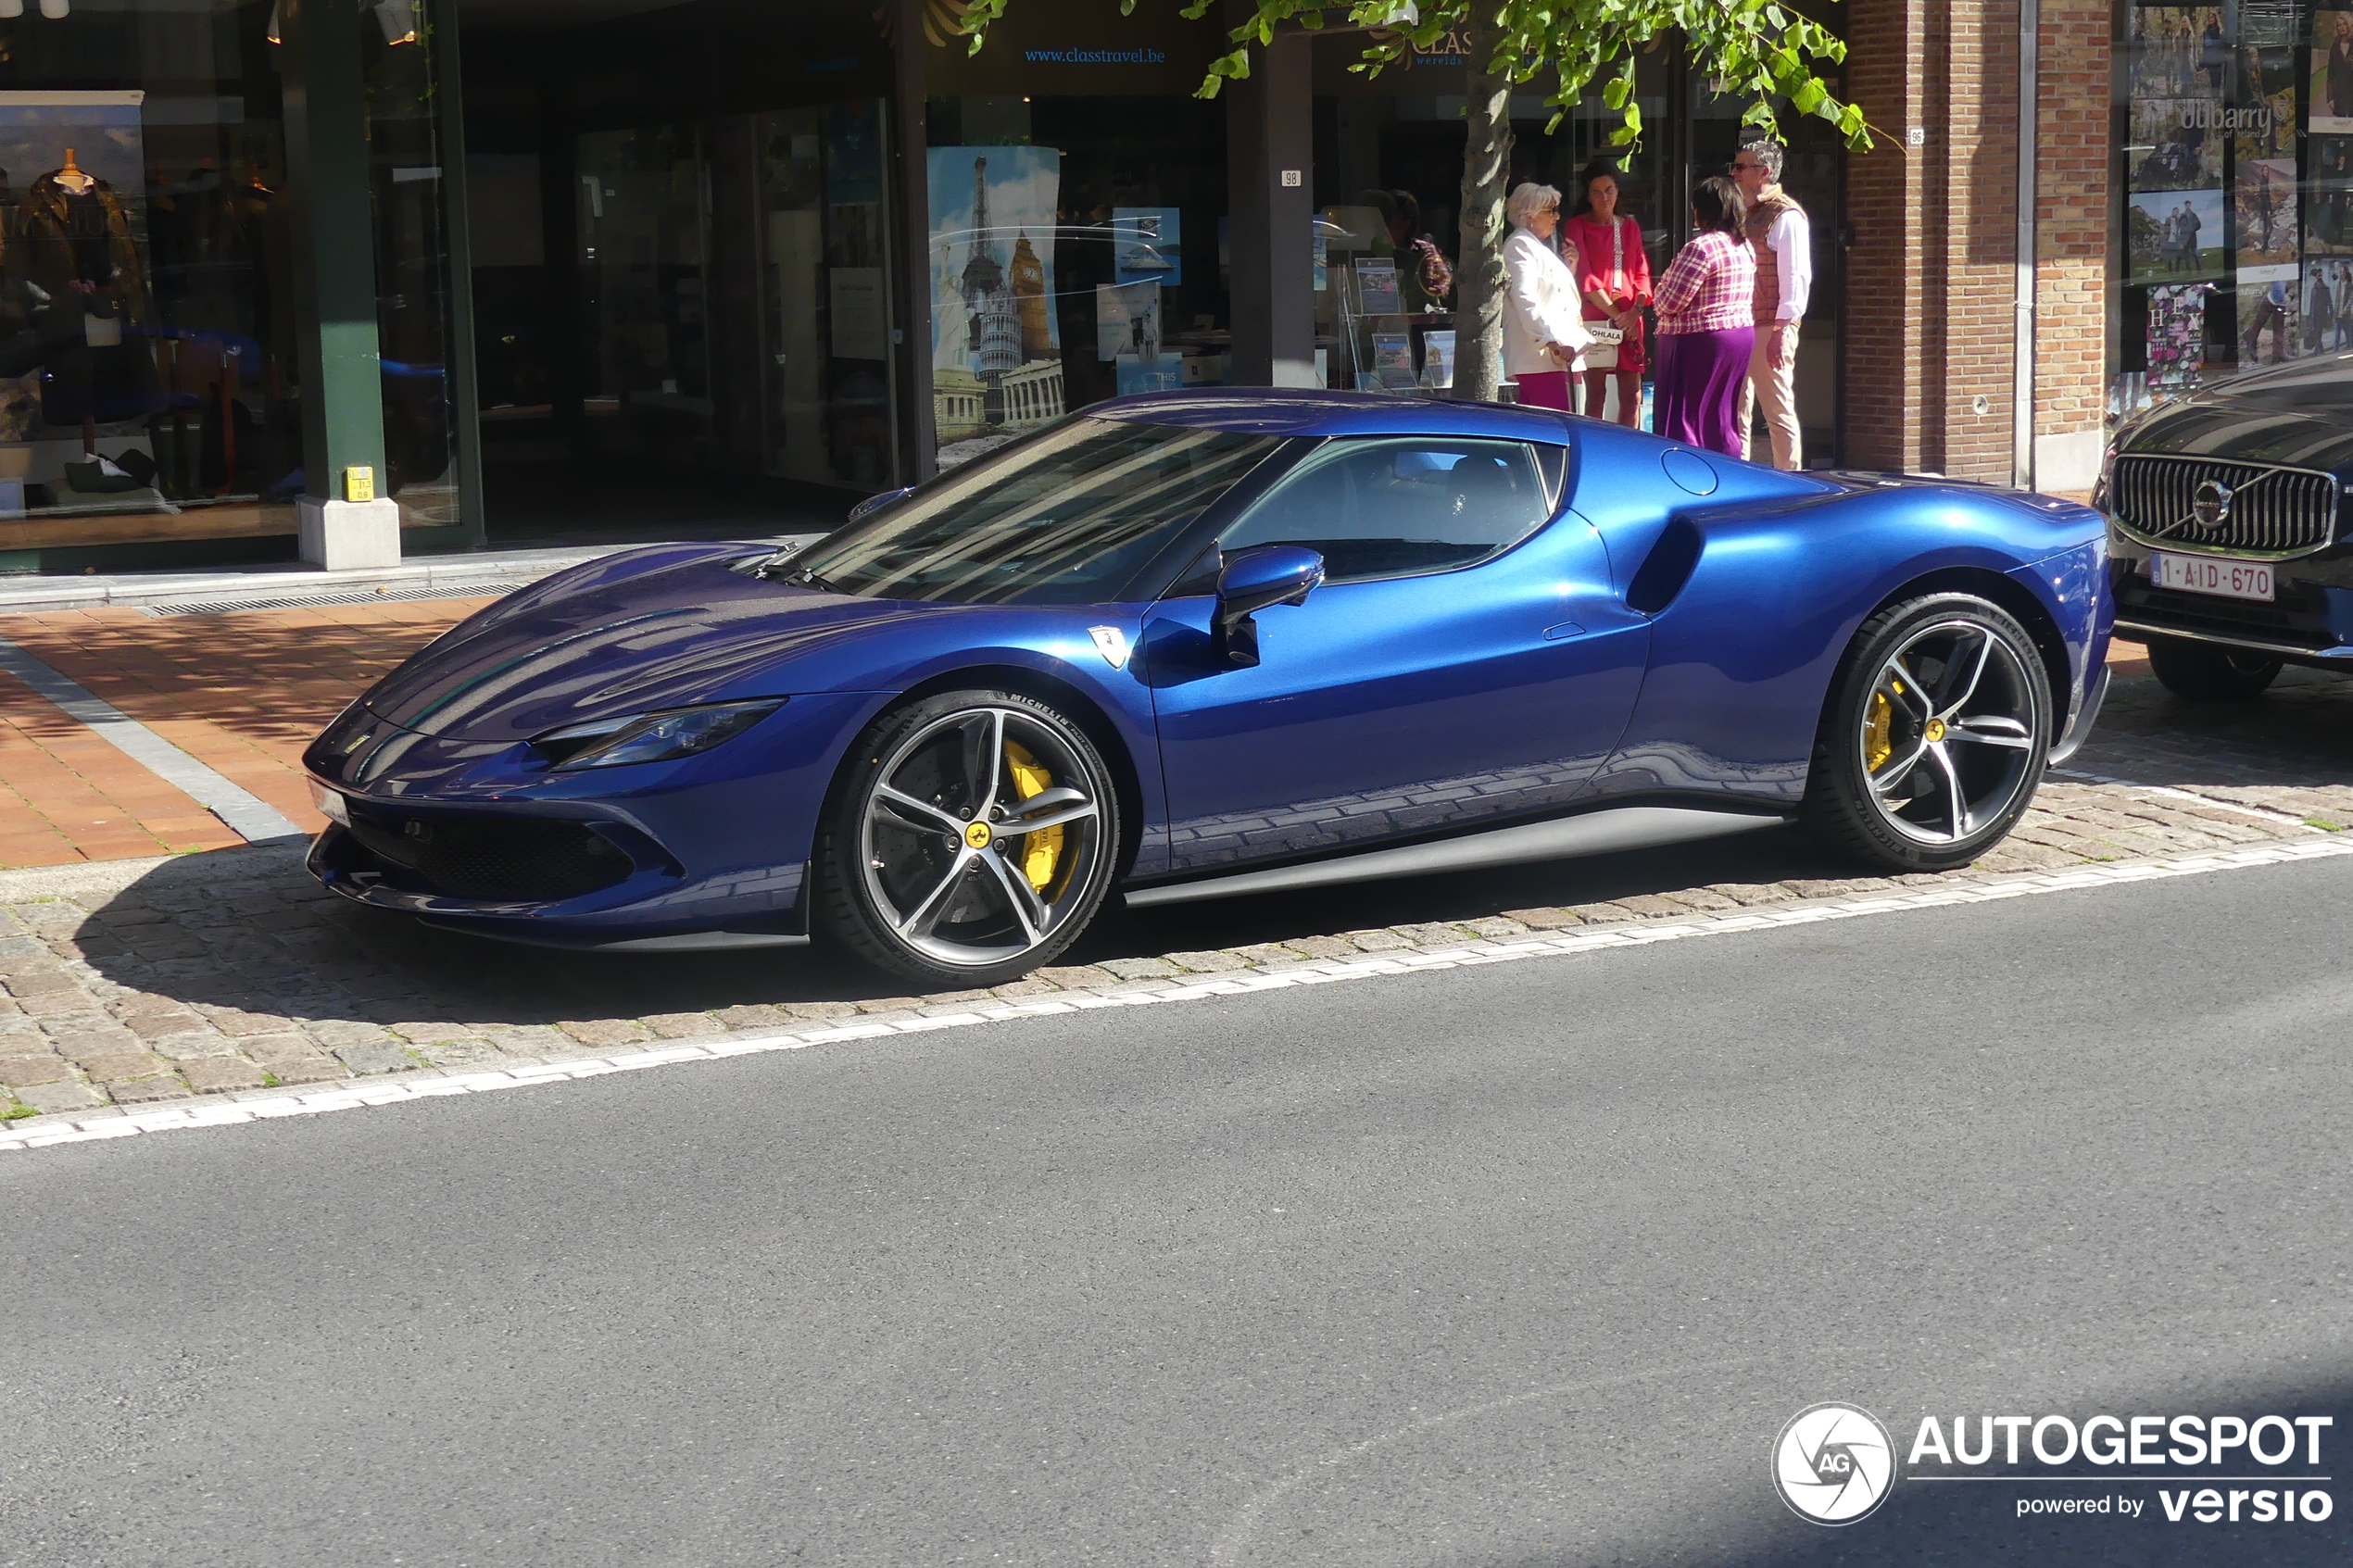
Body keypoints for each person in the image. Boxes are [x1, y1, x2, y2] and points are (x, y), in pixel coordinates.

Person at [1652, 175, 1755, 457]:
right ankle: (1729, 469)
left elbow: (1668, 302)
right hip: (1739, 337)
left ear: (1703, 209)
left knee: (1686, 418)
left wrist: (1659, 291)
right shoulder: (1744, 247)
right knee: (1720, 416)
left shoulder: (1701, 247)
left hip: (1699, 341)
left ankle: (1685, 473)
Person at [1729, 138, 1811, 469]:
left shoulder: (1786, 216)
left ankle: (1790, 482)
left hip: (1769, 326)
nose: (1733, 174)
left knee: (1776, 409)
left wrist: (1781, 329)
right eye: (1733, 166)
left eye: (1740, 167)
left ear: (1764, 172)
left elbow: (1796, 278)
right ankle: (1739, 476)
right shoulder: (1740, 212)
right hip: (1741, 323)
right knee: (1736, 408)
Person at [1562, 161, 1651, 428]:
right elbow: (1585, 278)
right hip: (1597, 317)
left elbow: (1642, 273)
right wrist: (1618, 317)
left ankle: (1630, 451)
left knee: (1632, 396)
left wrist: (1635, 311)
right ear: (1588, 196)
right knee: (1596, 393)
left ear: (1617, 191)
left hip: (1630, 316)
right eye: (1597, 192)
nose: (1605, 197)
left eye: (1609, 190)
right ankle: (1595, 450)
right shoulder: (1576, 226)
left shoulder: (1629, 227)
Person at [1500, 181, 1591, 410]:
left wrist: (1569, 270)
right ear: (1529, 214)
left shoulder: (1534, 247)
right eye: (1551, 210)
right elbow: (1524, 296)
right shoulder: (1520, 245)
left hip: (1553, 359)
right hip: (1542, 360)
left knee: (1539, 431)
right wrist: (1550, 341)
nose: (1557, 217)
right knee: (1556, 431)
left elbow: (1551, 295)